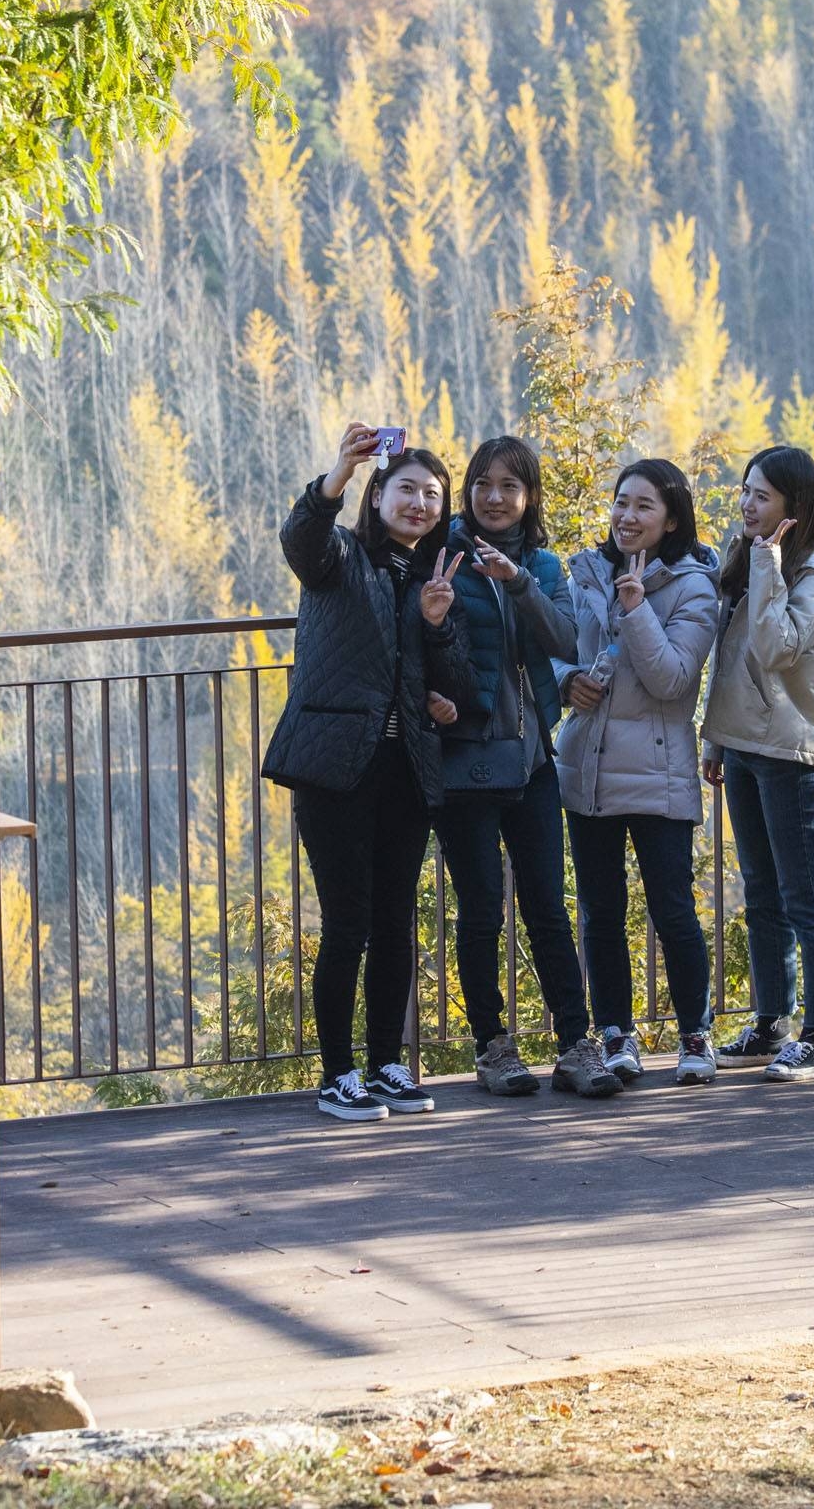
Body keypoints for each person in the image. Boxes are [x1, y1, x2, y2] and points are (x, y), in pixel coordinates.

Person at [259, 422, 468, 1122]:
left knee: (394, 920)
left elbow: (453, 685)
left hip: (404, 769)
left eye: (433, 495)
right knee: (348, 922)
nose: (420, 503)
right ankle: (337, 1074)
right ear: (378, 496)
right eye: (407, 489)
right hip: (335, 767)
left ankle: (385, 1064)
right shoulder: (341, 556)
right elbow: (302, 541)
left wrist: (437, 626)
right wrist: (334, 478)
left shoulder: (437, 575)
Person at [432, 435, 591, 1098]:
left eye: (510, 486)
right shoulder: (440, 557)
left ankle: (577, 1047)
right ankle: (493, 1047)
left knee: (549, 909)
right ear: (467, 491)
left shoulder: (545, 567)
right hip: (463, 758)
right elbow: (420, 640)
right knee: (477, 912)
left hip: (530, 762)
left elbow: (563, 638)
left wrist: (518, 583)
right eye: (482, 484)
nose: (494, 497)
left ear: (529, 497)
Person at [558, 458, 723, 1090]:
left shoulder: (694, 587)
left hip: (659, 773)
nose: (627, 516)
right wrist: (564, 681)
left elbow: (674, 679)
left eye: (644, 506)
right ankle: (615, 1035)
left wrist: (635, 608)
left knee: (672, 909)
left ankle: (694, 1035)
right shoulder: (587, 572)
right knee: (600, 910)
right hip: (590, 768)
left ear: (672, 517)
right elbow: (556, 652)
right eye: (621, 502)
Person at [701, 445, 814, 1083]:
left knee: (803, 894)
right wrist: (716, 739)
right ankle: (772, 1024)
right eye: (745, 492)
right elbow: (732, 652)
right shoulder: (757, 554)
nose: (746, 504)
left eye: (760, 496)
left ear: (795, 505)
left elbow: (775, 649)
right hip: (745, 744)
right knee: (761, 893)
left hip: (791, 751)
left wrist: (766, 562)